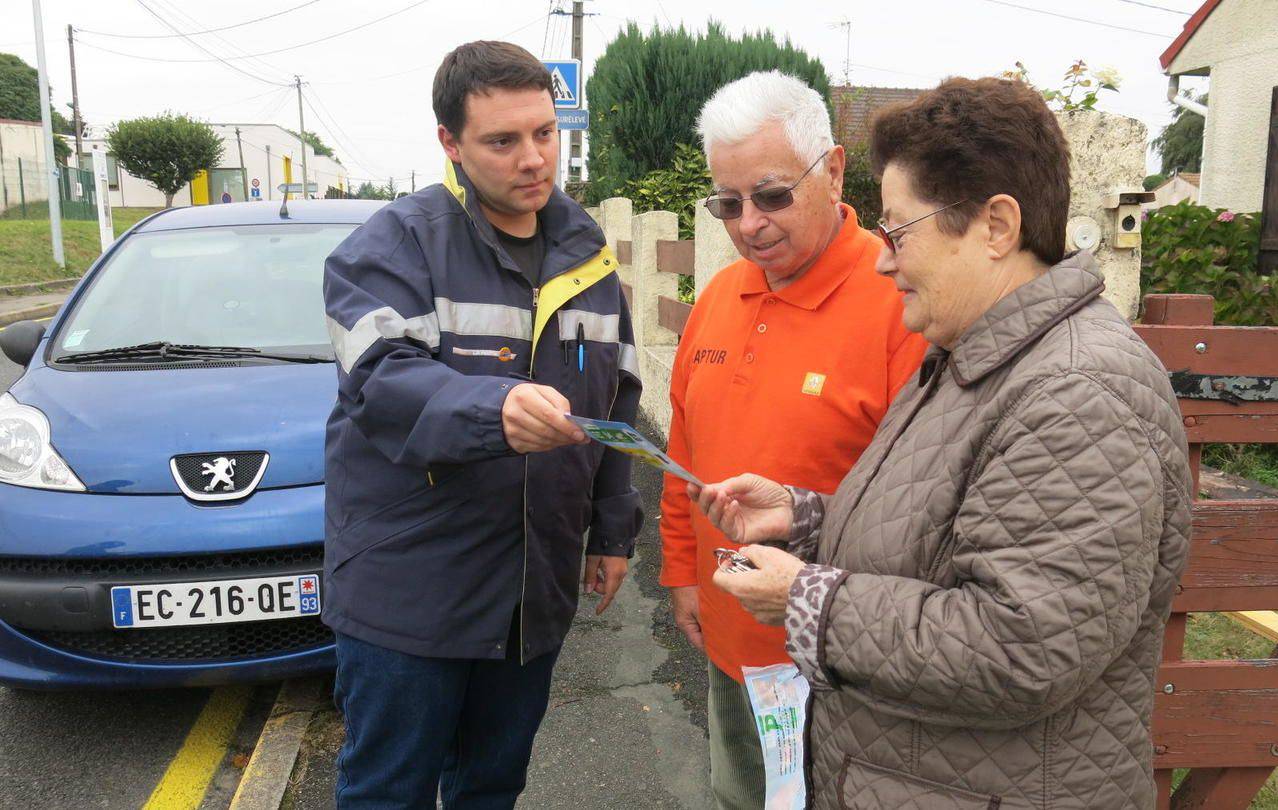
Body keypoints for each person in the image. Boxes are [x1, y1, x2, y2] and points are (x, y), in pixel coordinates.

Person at [692, 76, 1192, 810]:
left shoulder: (1080, 391)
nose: (884, 259)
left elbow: (1021, 644)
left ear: (995, 227)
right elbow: (942, 538)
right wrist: (803, 517)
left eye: (898, 232)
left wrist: (805, 598)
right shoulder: (971, 358)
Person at [321, 41, 642, 809]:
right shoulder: (392, 245)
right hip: (410, 598)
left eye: (544, 133)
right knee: (387, 792)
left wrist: (612, 534)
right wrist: (493, 409)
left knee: (493, 786)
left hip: (532, 595)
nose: (533, 159)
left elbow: (617, 399)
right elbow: (381, 379)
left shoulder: (589, 256)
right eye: (502, 141)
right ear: (450, 144)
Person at [659, 70, 927, 809]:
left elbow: (928, 503)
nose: (750, 224)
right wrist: (681, 571)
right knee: (742, 793)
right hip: (731, 639)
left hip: (848, 661)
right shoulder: (717, 297)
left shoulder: (901, 301)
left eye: (772, 195)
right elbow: (681, 449)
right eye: (728, 204)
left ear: (834, 169)